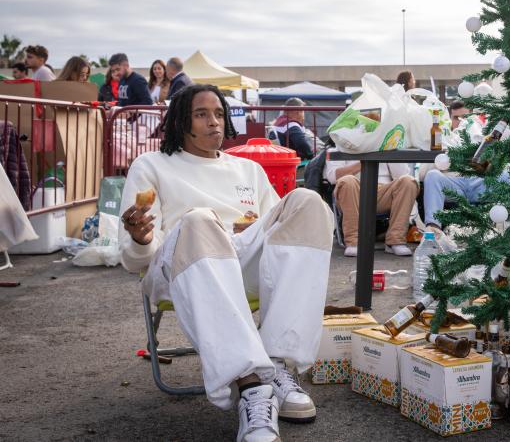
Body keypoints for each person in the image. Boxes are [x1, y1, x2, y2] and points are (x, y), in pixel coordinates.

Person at [119, 84, 333, 442]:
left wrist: (251, 230)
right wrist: (140, 239)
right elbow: (134, 259)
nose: (214, 122)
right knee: (200, 219)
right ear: (179, 122)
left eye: (219, 114)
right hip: (180, 266)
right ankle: (252, 388)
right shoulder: (151, 165)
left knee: (309, 202)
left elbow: (277, 235)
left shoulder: (247, 170)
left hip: (241, 262)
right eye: (201, 114)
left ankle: (277, 364)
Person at [421, 100, 502, 230]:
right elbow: (422, 175)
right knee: (432, 176)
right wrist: (440, 161)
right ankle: (433, 232)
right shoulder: (440, 138)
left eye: (465, 118)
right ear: (449, 119)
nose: (461, 122)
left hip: (478, 183)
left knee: (507, 177)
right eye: (456, 118)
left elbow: (493, 167)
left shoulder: (479, 134)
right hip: (453, 185)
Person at [325, 151, 417, 257]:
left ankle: (396, 240)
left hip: (383, 191)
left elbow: (402, 174)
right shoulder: (338, 147)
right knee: (347, 181)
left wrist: (390, 151)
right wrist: (365, 162)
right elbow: (332, 177)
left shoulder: (385, 143)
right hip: (353, 192)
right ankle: (353, 242)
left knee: (409, 181)